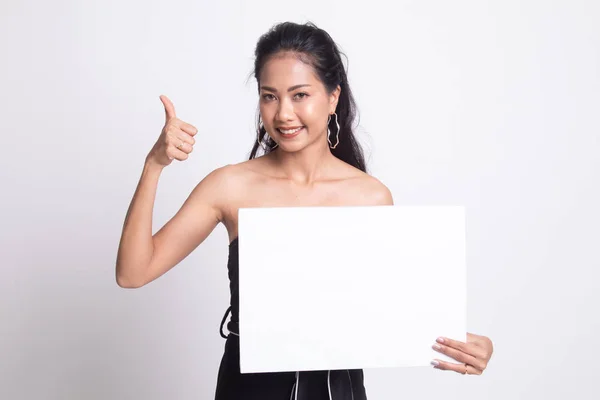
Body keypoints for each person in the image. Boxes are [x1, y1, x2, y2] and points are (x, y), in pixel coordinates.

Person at [116, 21, 494, 400]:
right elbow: (133, 272)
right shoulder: (229, 187)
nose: (283, 114)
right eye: (270, 96)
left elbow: (387, 317)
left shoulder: (369, 197)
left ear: (332, 98)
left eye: (300, 95)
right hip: (248, 391)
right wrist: (154, 164)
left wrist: (464, 344)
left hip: (337, 390)